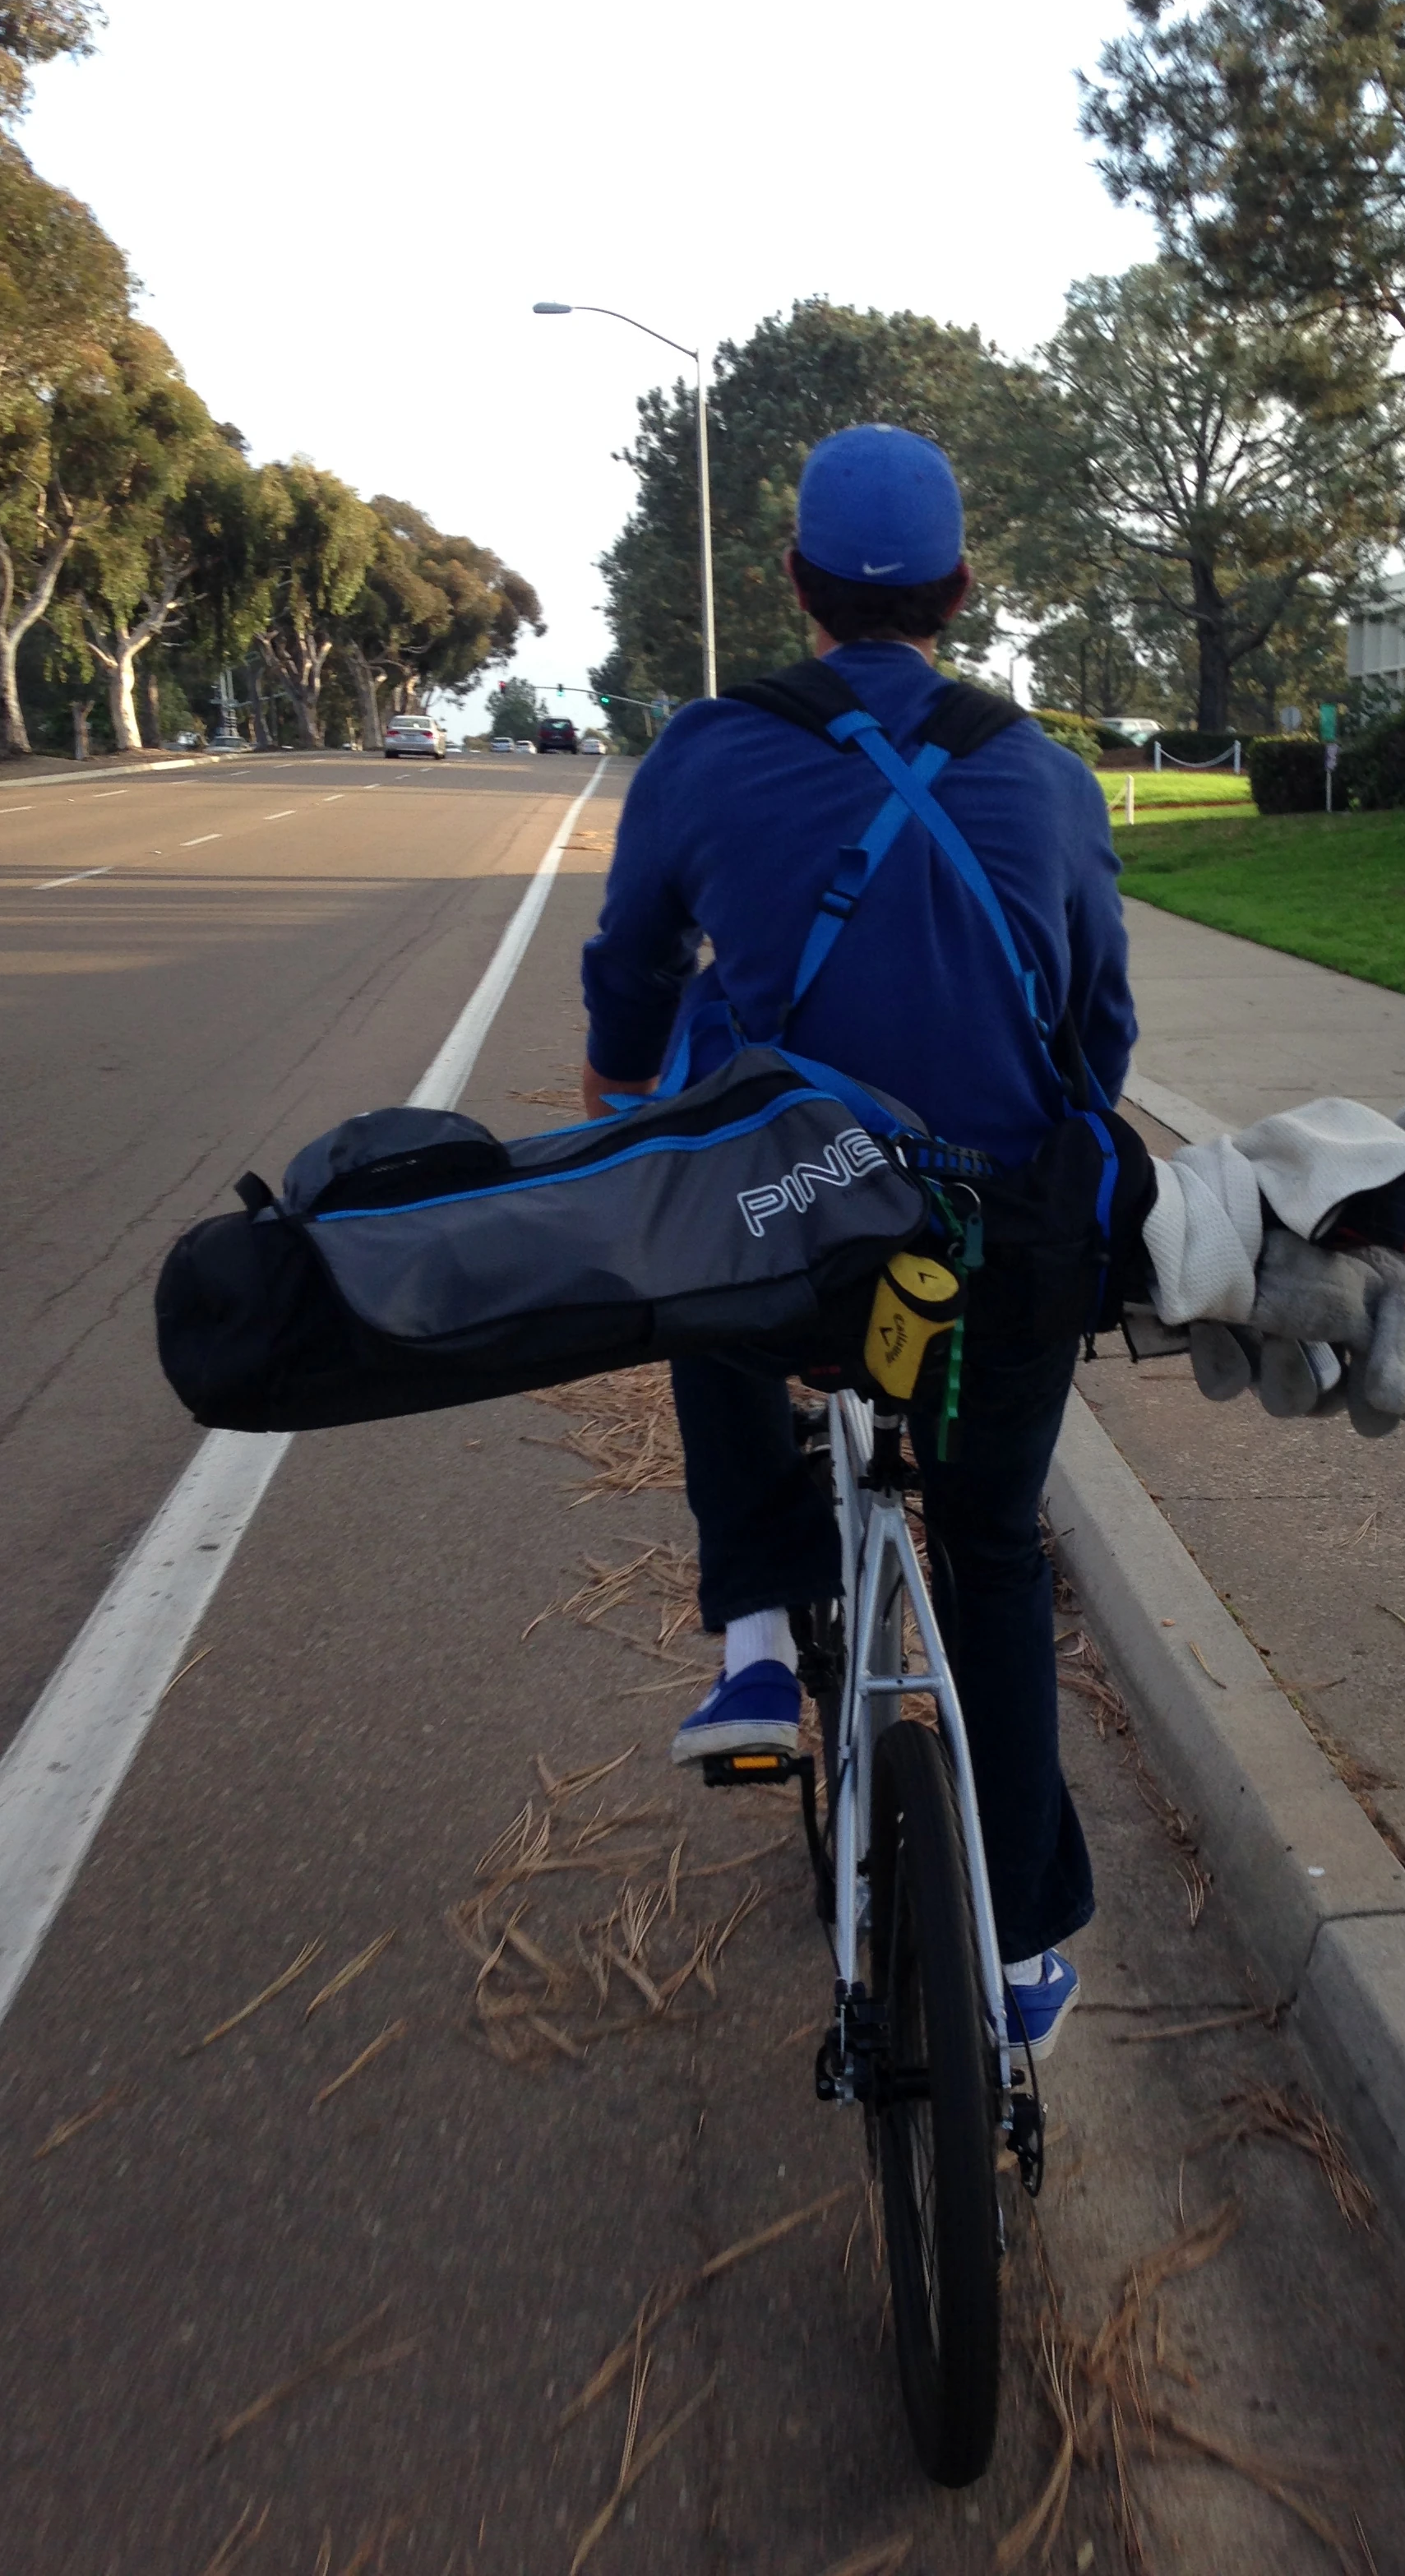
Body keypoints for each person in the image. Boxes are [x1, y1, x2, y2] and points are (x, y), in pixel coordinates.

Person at [580, 424, 1136, 2056]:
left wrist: (627, 1094)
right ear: (963, 591)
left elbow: (630, 968)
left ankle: (758, 1629)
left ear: (794, 584)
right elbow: (1096, 1035)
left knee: (690, 1189)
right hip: (994, 1261)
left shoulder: (705, 747)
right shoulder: (1043, 772)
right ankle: (1025, 1957)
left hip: (793, 1240)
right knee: (994, 1551)